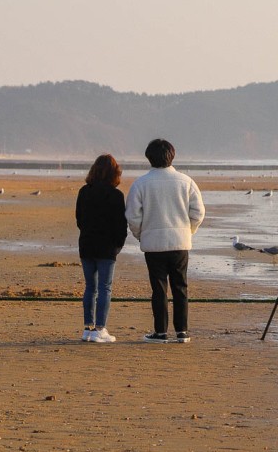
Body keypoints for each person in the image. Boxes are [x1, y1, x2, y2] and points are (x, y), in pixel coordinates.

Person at [125, 139, 205, 343]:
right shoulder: (186, 181)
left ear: (149, 158)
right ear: (172, 156)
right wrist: (189, 230)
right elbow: (198, 212)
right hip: (180, 242)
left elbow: (133, 216)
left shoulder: (141, 183)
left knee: (158, 288)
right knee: (180, 287)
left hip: (153, 243)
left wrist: (141, 234)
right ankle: (182, 331)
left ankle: (160, 332)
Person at [76, 154, 128, 343]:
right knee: (105, 288)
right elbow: (121, 225)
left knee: (91, 287)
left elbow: (79, 219)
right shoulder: (115, 195)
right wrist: (118, 245)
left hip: (87, 245)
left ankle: (88, 328)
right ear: (115, 173)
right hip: (107, 248)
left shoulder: (84, 191)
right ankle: (100, 328)